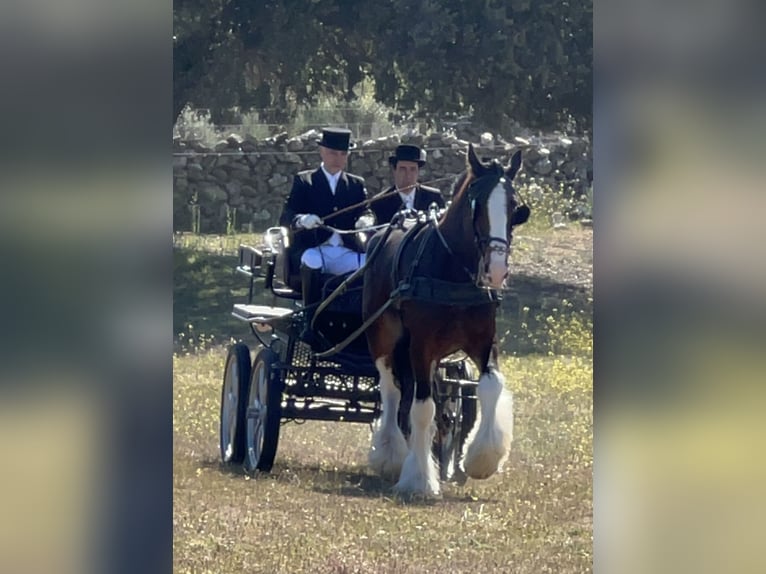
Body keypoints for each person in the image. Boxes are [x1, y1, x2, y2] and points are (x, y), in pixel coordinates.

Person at [278, 127, 371, 339]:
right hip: (314, 248)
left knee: (369, 263)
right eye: (332, 153)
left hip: (346, 249)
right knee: (311, 261)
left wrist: (367, 219)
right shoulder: (304, 181)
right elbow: (286, 215)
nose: (337, 158)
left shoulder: (356, 185)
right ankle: (311, 322)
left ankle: (362, 321)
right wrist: (302, 219)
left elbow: (366, 210)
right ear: (321, 151)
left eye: (342, 154)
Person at [369, 144, 445, 225]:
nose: (408, 175)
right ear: (394, 171)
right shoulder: (379, 203)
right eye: (402, 169)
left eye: (412, 169)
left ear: (418, 172)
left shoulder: (433, 198)